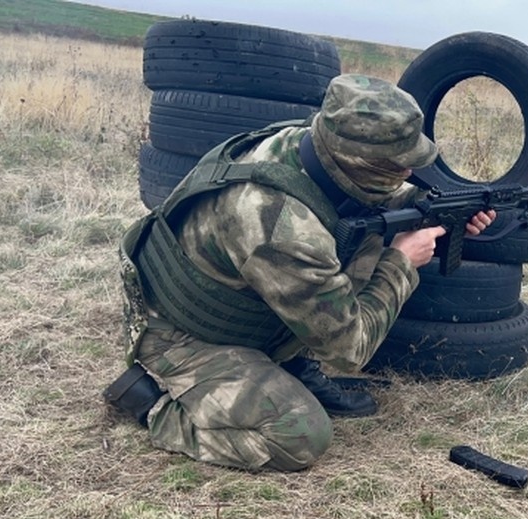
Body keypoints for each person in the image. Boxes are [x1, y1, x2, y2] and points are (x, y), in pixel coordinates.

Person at [103, 74, 495, 472]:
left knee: (372, 227)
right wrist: (401, 264)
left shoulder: (310, 145)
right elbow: (349, 351)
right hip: (182, 336)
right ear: (359, 163)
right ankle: (153, 404)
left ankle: (289, 360)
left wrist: (437, 210)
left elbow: (372, 199)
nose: (409, 175)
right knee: (298, 435)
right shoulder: (280, 227)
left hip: (238, 305)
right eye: (398, 168)